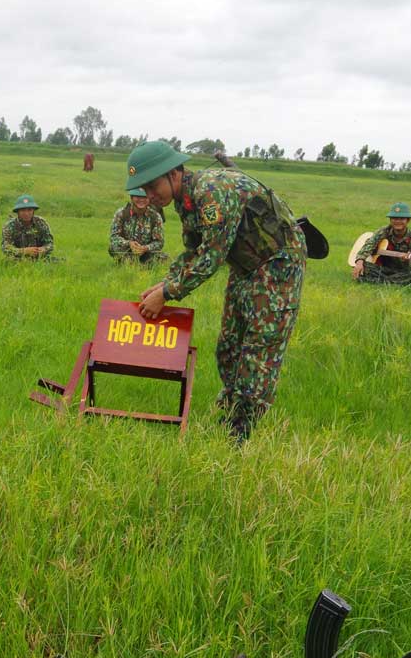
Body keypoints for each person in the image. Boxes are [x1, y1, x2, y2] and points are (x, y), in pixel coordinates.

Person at [125, 140, 306, 442]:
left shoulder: (211, 194)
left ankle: (242, 429)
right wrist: (165, 282)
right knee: (229, 344)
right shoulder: (186, 200)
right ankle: (229, 409)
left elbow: (211, 257)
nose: (150, 195)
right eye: (143, 189)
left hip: (278, 263)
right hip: (245, 264)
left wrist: (168, 293)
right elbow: (192, 250)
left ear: (173, 173)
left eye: (152, 185)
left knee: (258, 347)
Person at [351, 201, 411, 285]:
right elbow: (368, 245)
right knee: (363, 266)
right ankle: (391, 283)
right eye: (395, 218)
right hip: (381, 268)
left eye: (402, 219)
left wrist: (406, 259)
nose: (398, 221)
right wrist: (359, 262)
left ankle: (377, 281)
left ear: (408, 220)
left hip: (400, 271)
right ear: (390, 220)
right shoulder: (383, 231)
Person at [109, 187, 168, 265]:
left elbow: (159, 242)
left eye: (145, 197)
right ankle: (129, 262)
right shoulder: (121, 214)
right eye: (138, 197)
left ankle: (139, 264)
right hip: (127, 251)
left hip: (146, 253)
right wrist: (129, 243)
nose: (141, 200)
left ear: (149, 199)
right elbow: (114, 237)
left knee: (164, 257)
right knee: (113, 248)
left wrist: (145, 248)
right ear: (132, 198)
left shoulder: (155, 217)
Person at [1, 194, 56, 260]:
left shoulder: (41, 223)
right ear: (18, 212)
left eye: (29, 210)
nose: (26, 213)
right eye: (23, 210)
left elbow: (50, 244)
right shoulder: (9, 226)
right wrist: (24, 251)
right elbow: (6, 248)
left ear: (33, 211)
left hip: (40, 259)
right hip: (17, 259)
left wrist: (43, 249)